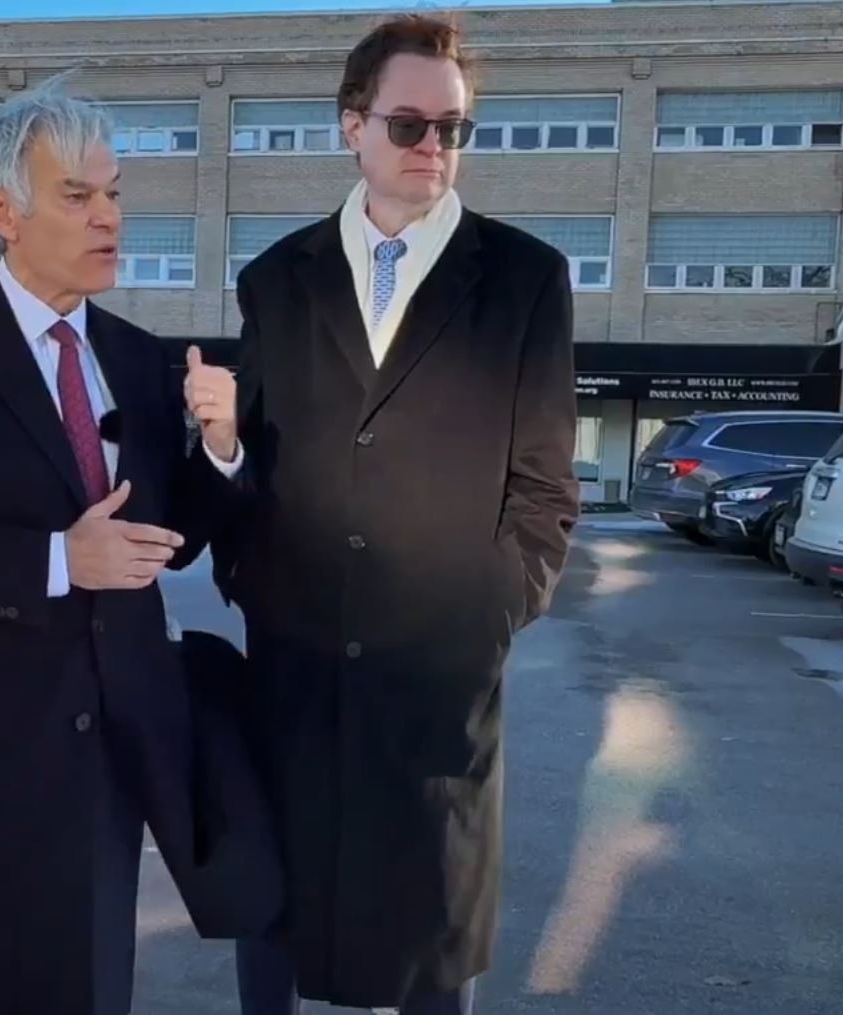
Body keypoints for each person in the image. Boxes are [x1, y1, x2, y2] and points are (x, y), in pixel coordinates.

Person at [0, 81, 258, 1015]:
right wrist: (59, 560)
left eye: (113, 194)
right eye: (77, 195)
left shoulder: (143, 359)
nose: (108, 217)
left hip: (107, 755)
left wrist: (221, 451)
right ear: (3, 213)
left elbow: (160, 543)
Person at [211, 13, 581, 1015]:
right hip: (293, 674)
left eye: (452, 129)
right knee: (275, 926)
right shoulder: (277, 281)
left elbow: (545, 489)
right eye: (409, 124)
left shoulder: (524, 280)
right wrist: (245, 559)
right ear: (351, 126)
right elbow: (251, 464)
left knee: (432, 946)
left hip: (437, 685)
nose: (433, 149)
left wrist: (490, 617)